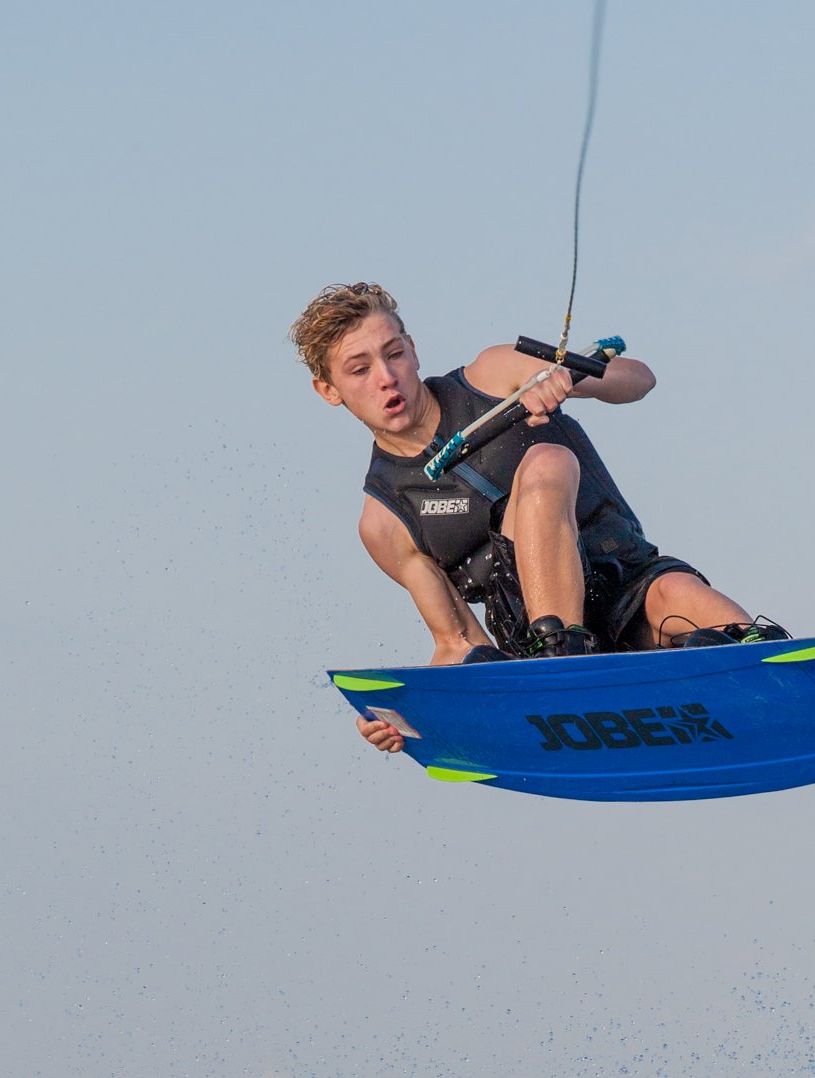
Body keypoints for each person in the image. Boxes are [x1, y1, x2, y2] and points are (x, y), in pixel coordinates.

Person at [289, 282, 786, 753]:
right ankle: (563, 658)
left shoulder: (493, 373)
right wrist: (408, 719)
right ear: (328, 390)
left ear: (413, 350)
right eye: (359, 369)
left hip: (630, 583)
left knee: (733, 631)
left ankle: (725, 672)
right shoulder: (384, 520)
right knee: (547, 460)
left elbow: (640, 379)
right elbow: (456, 642)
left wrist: (567, 377)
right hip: (531, 638)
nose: (386, 377)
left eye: (394, 354)